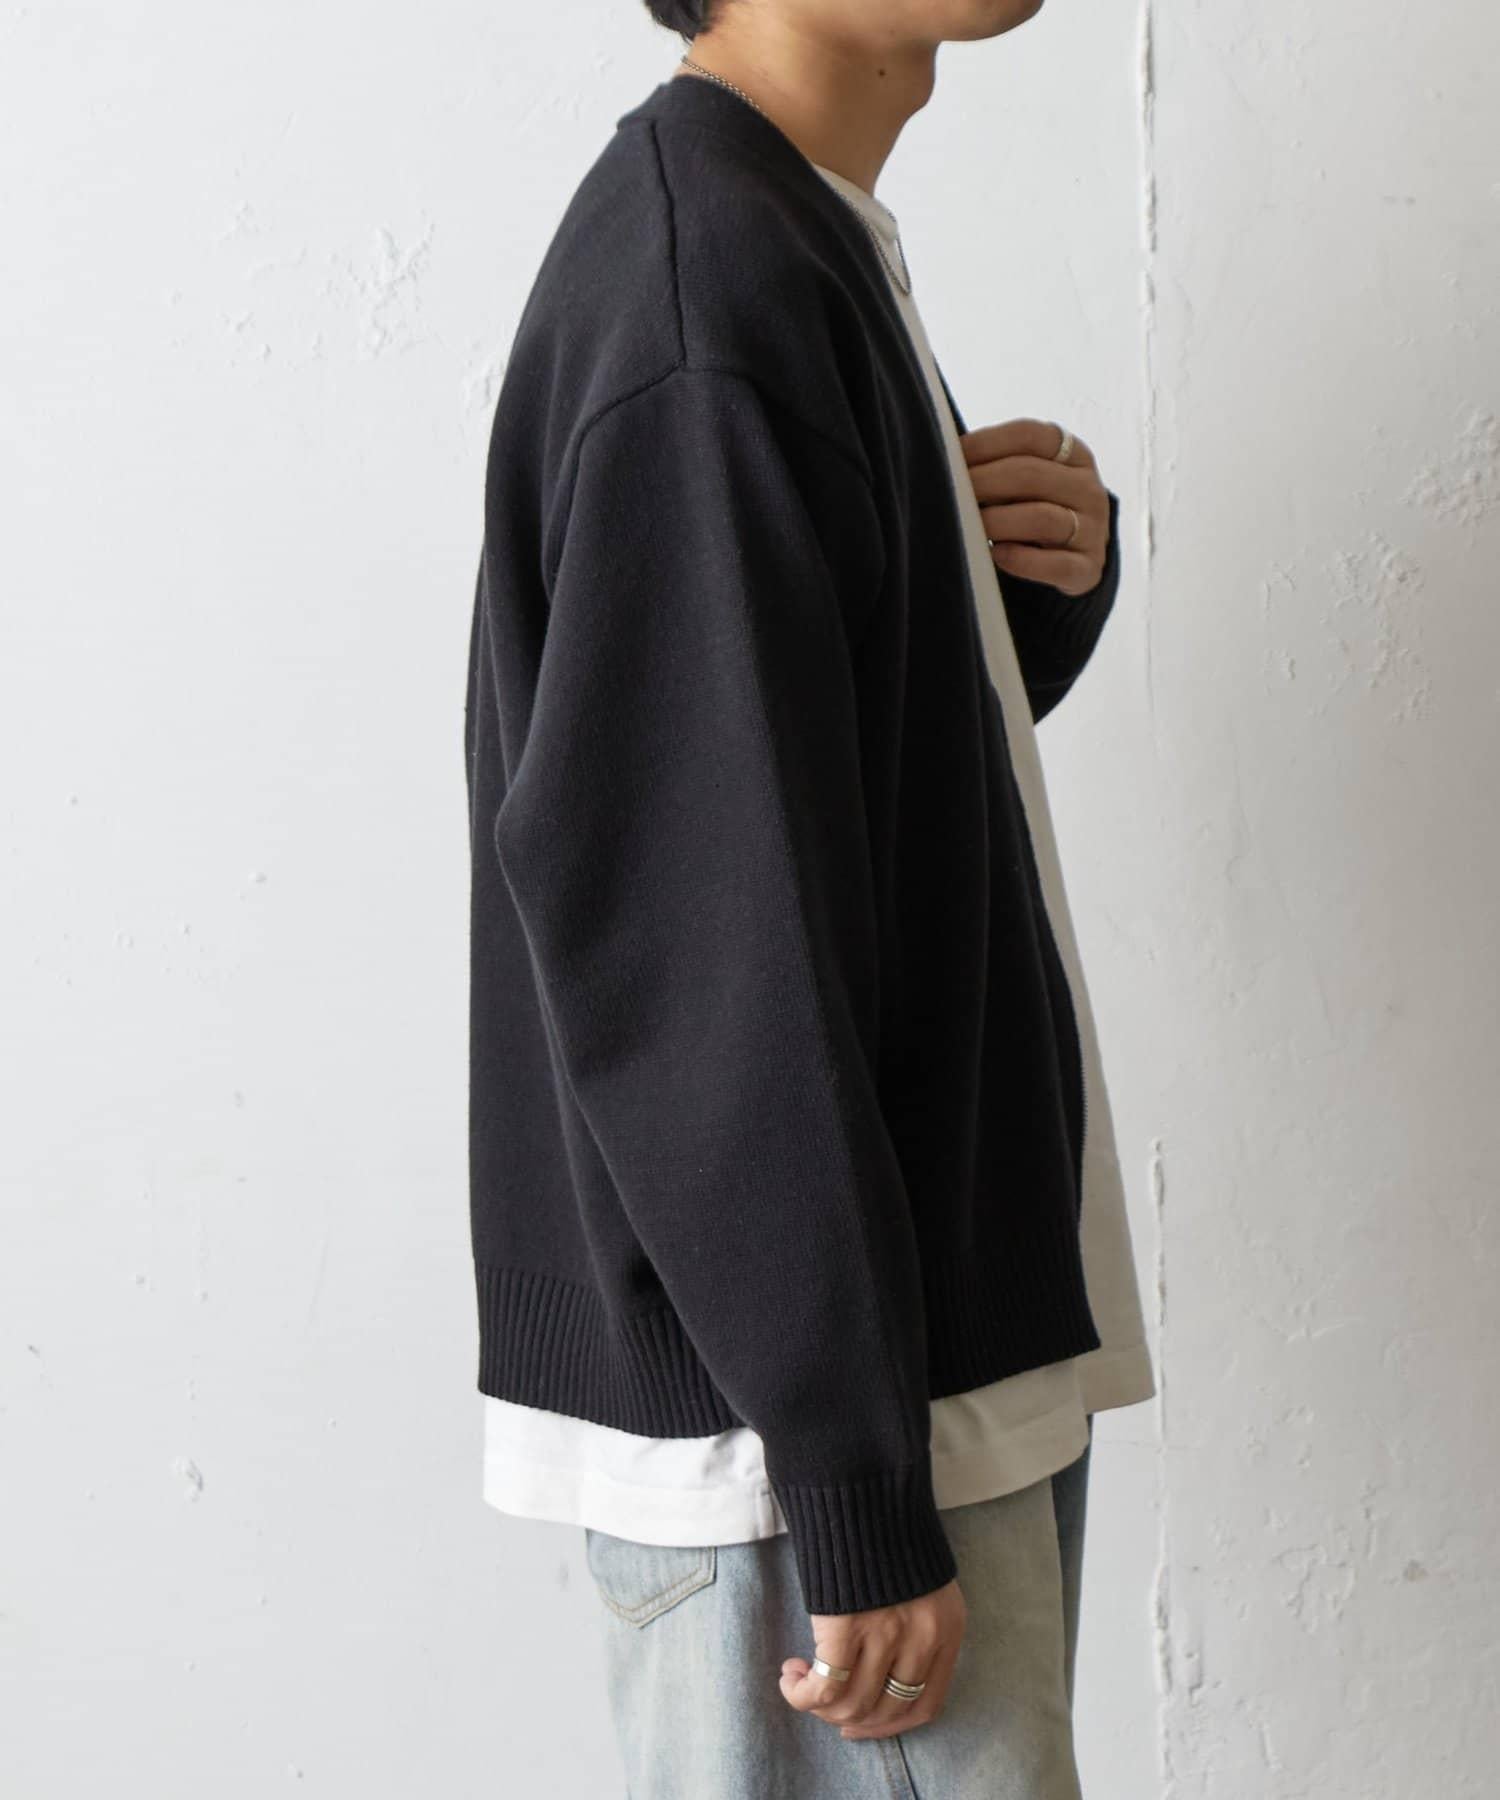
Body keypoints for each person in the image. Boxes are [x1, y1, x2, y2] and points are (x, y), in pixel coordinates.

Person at [463, 2, 1156, 1792]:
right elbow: (695, 952)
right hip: (820, 1433)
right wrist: (853, 1482)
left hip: (871, 1390)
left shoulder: (780, 230)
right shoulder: (712, 293)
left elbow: (793, 786)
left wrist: (1003, 613)